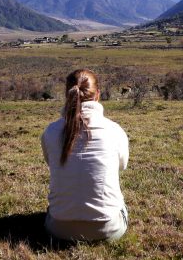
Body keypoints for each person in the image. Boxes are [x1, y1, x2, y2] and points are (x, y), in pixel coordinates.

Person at [41, 68, 129, 242]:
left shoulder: (51, 131)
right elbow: (122, 165)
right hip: (107, 230)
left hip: (58, 229)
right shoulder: (114, 130)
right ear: (97, 95)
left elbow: (51, 163)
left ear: (68, 95)